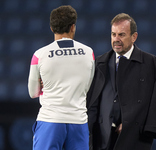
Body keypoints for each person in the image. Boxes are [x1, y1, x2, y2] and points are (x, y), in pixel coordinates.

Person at [87, 13, 156, 150]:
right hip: (102, 138)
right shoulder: (99, 63)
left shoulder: (152, 64)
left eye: (121, 35)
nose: (116, 39)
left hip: (135, 138)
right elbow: (93, 102)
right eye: (113, 34)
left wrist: (144, 129)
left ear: (134, 37)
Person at [28, 5, 95, 150]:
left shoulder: (40, 55)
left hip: (50, 121)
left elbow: (33, 93)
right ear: (73, 27)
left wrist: (44, 86)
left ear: (52, 28)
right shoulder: (89, 53)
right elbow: (87, 86)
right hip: (78, 121)